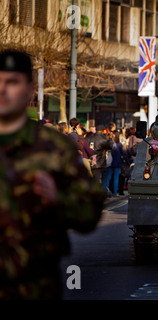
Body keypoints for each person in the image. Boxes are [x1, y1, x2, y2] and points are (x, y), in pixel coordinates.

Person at [0, 49, 104, 299]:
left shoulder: (54, 148)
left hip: (34, 286)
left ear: (29, 91)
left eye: (12, 82)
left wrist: (58, 200)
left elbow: (90, 212)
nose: (2, 90)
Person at [104, 132, 124, 197]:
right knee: (116, 178)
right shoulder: (119, 145)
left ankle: (106, 192)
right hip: (117, 163)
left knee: (108, 178)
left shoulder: (109, 144)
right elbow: (122, 153)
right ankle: (115, 193)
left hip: (110, 162)